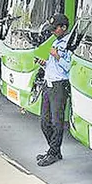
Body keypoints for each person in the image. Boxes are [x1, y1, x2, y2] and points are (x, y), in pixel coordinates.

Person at [35, 13, 71, 167]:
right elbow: (53, 67)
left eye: (55, 29)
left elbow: (69, 67)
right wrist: (44, 63)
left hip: (59, 86)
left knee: (57, 122)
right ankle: (53, 150)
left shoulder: (69, 43)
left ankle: (54, 152)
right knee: (44, 121)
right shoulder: (55, 41)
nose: (52, 32)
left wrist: (57, 57)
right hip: (48, 83)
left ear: (63, 27)